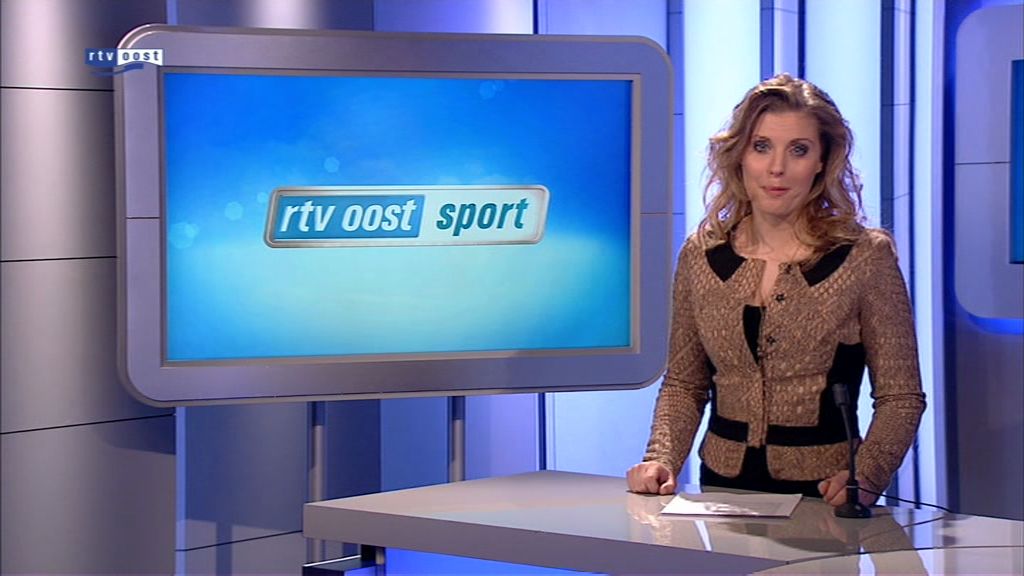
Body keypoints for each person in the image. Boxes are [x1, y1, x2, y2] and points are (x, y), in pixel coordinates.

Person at [626, 73, 925, 507]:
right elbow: (685, 384)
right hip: (722, 493)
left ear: (822, 160)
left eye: (798, 150)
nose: (776, 168)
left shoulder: (864, 258)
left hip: (826, 496)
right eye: (761, 146)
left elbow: (901, 397)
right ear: (740, 155)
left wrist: (868, 475)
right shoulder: (701, 255)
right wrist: (660, 459)